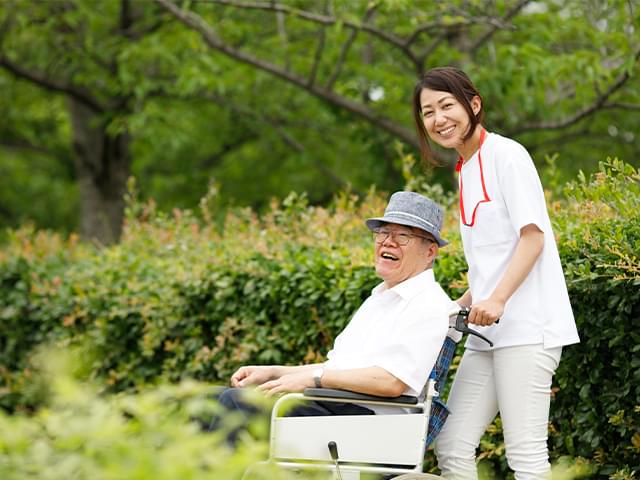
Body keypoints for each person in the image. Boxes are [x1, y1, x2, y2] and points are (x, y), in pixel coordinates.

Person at [412, 66, 580, 480]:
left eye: (447, 105)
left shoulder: (507, 154)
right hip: (488, 335)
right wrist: (458, 306)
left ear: (474, 104)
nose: (438, 119)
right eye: (428, 112)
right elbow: (489, 263)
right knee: (451, 446)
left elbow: (532, 238)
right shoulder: (465, 169)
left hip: (528, 329)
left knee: (526, 458)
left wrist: (499, 299)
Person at [211, 191, 454, 442]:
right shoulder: (379, 299)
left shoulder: (428, 305)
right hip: (337, 409)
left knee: (234, 403)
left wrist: (315, 380)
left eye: (403, 236)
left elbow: (391, 382)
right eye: (383, 232)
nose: (388, 242)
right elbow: (340, 368)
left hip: (368, 427)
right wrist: (274, 372)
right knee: (210, 399)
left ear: (430, 252)